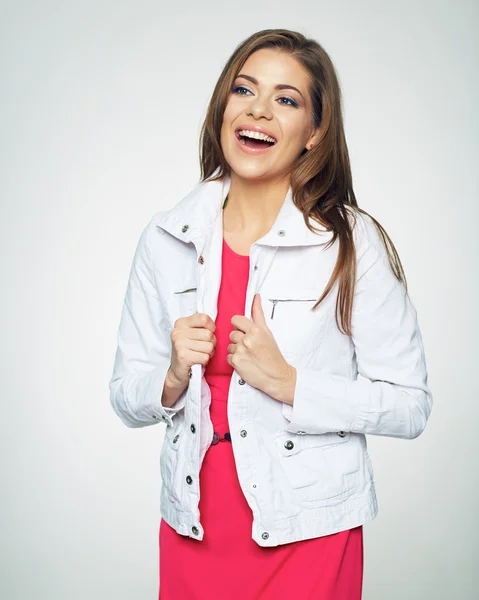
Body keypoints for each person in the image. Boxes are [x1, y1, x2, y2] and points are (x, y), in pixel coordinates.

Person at [109, 28, 433, 599]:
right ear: (222, 108)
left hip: (308, 528)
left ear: (316, 131)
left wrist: (290, 384)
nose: (258, 110)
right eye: (244, 90)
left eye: (286, 100)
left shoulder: (350, 243)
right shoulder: (166, 239)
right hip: (194, 522)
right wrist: (170, 378)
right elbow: (124, 395)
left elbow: (410, 406)